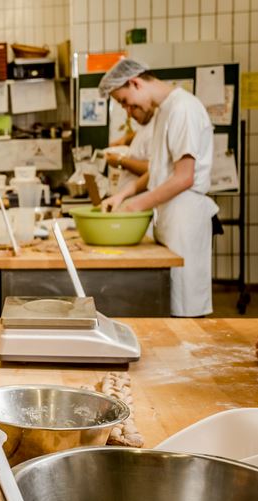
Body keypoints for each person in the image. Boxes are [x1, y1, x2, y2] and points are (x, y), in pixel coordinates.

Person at [98, 59, 217, 317]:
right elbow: (161, 170)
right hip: (169, 216)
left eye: (125, 101)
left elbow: (184, 177)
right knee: (169, 305)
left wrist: (135, 206)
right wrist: (123, 195)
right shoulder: (164, 111)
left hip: (185, 218)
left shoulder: (184, 108)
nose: (128, 110)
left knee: (185, 311)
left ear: (135, 82)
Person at [105, 107, 154, 194]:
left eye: (133, 107)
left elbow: (152, 170)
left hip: (140, 201)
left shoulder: (155, 129)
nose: (129, 114)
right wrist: (125, 140)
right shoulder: (146, 123)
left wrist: (120, 161)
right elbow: (141, 133)